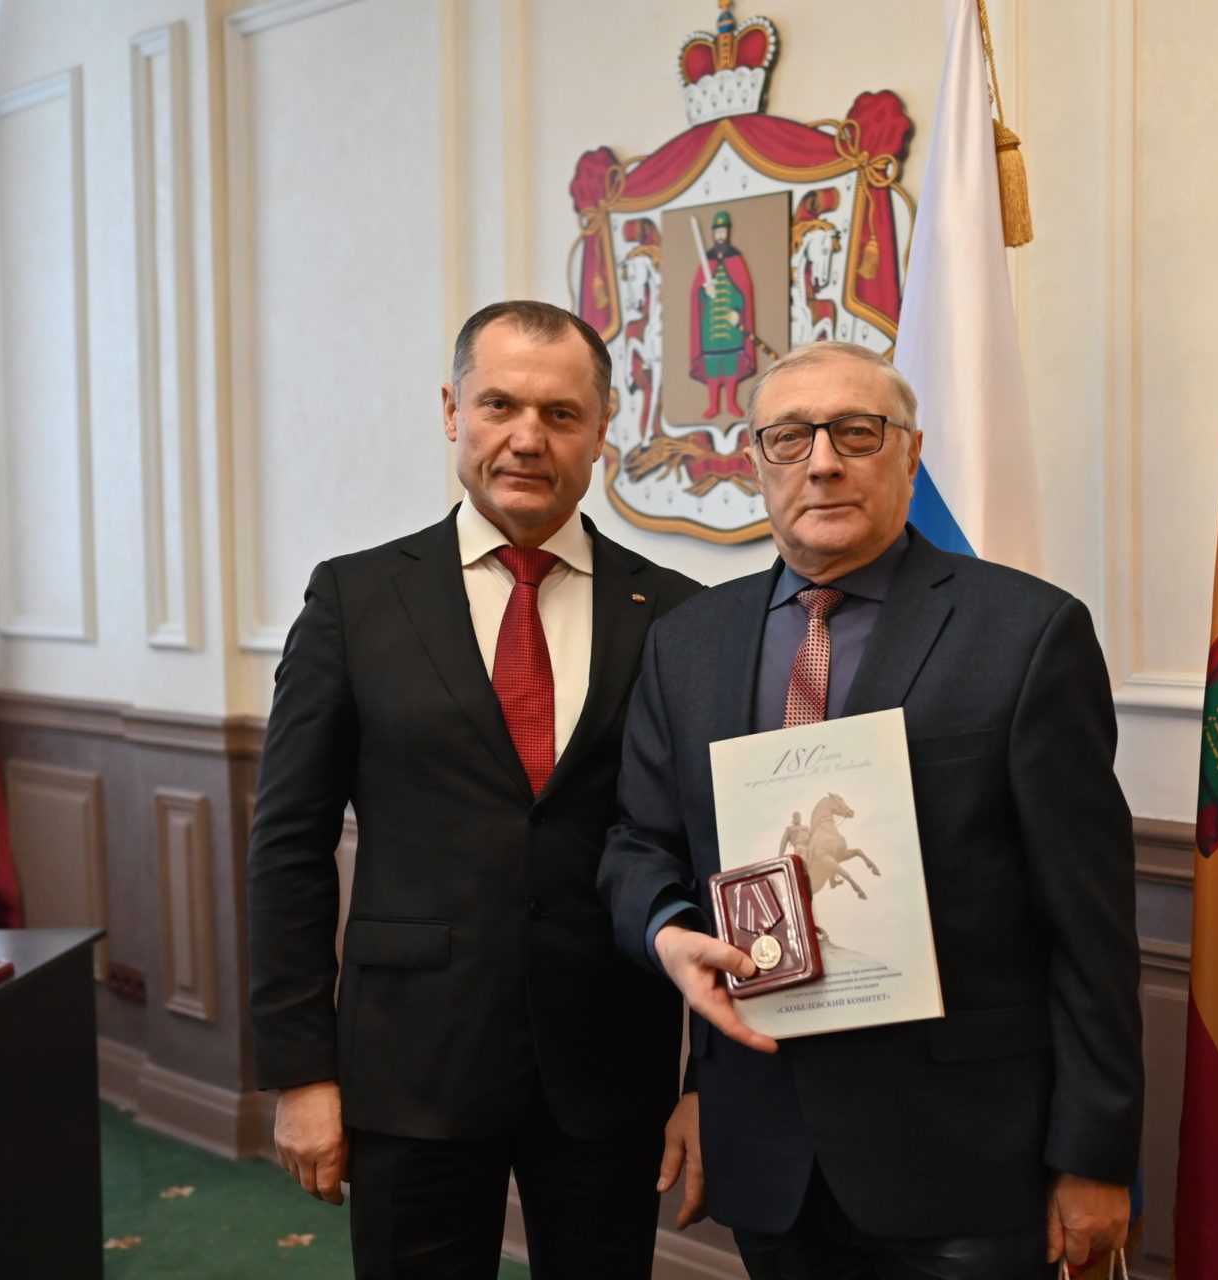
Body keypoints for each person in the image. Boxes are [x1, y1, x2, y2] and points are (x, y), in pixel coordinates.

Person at [598, 341, 1142, 1277]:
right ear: (756, 462)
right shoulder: (687, 643)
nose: (822, 462)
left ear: (911, 452)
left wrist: (1094, 1153)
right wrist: (667, 938)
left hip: (965, 1155)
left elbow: (1088, 920)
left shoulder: (1028, 632)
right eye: (789, 437)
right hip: (765, 1141)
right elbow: (639, 842)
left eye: (857, 432)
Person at [247, 300, 706, 1279]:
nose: (527, 438)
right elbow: (288, 845)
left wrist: (708, 1078)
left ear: (603, 430)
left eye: (561, 413)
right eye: (500, 405)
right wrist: (301, 1070)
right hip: (411, 1062)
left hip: (609, 1067)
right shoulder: (354, 600)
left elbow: (709, 855)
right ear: (453, 411)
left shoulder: (674, 614)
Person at [690, 209, 757, 419]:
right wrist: (705, 292)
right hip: (711, 329)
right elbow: (697, 295)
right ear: (713, 233)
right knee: (712, 367)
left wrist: (738, 313)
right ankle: (713, 405)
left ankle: (731, 403)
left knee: (730, 366)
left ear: (727, 232)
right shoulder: (707, 260)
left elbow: (743, 290)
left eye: (723, 231)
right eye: (717, 231)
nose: (720, 235)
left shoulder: (735, 258)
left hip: (730, 328)